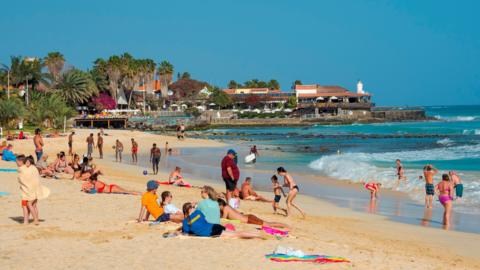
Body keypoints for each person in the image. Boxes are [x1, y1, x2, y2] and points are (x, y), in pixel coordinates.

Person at [181, 202, 263, 239]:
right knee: (237, 232)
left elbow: (187, 233)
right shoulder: (198, 212)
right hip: (215, 226)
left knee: (237, 234)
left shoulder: (185, 222)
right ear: (191, 208)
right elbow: (203, 221)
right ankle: (256, 233)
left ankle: (258, 236)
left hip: (212, 231)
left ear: (185, 211)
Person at [17, 155, 49, 225]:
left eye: (27, 162)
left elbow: (22, 178)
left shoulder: (24, 168)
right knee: (33, 205)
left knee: (27, 205)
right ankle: (31, 219)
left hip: (28, 191)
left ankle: (34, 220)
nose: (26, 163)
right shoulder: (33, 168)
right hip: (34, 190)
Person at [217, 198, 290, 229]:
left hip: (249, 219)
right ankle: (284, 225)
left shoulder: (226, 208)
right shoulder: (227, 206)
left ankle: (285, 225)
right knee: (268, 223)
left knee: (268, 224)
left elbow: (223, 219)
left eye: (217, 206)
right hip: (248, 217)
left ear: (221, 205)